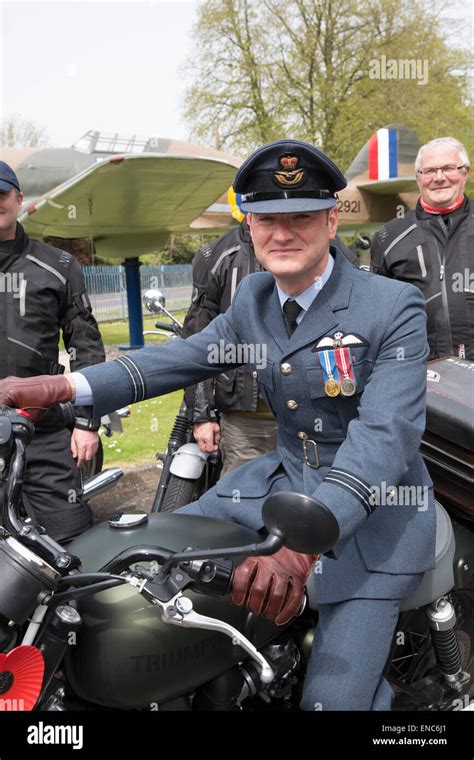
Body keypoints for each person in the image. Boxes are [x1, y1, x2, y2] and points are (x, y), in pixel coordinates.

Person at [0, 140, 435, 710]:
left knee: (333, 700)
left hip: (375, 516)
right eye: (265, 219)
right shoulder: (256, 296)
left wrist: (302, 548)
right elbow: (180, 359)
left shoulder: (392, 305)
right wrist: (65, 386)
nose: (282, 234)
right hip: (276, 487)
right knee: (119, 569)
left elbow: (384, 439)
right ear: (249, 225)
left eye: (300, 216)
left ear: (332, 219)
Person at [183, 219, 357, 475]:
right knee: (243, 495)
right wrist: (202, 414)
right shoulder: (217, 254)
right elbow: (197, 338)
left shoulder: (332, 249)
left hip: (317, 409)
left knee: (316, 495)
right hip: (247, 419)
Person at [0, 160, 105, 542]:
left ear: (18, 199)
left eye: (1, 194)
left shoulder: (58, 266)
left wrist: (85, 422)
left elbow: (86, 346)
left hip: (41, 430)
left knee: (72, 540)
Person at [370, 136, 473, 360]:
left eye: (448, 168)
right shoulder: (389, 237)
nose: (439, 177)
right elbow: (377, 316)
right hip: (421, 374)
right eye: (429, 171)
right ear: (418, 179)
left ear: (465, 173)